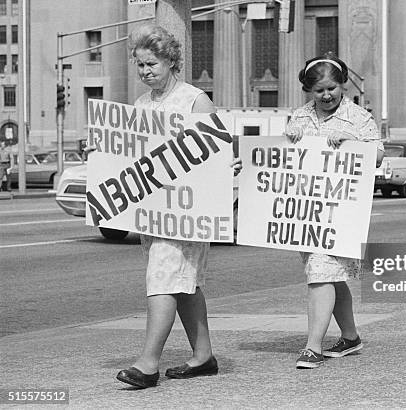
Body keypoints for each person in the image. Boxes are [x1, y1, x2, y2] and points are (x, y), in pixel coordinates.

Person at [115, 24, 241, 389]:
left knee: (163, 278)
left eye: (151, 63)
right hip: (155, 210)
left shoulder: (194, 100)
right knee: (183, 283)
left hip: (188, 212)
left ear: (171, 61)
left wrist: (227, 166)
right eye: (139, 65)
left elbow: (218, 150)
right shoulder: (141, 104)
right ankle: (204, 357)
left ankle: (148, 363)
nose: (145, 71)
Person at [285, 54, 384, 369]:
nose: (326, 95)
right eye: (319, 91)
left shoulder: (358, 117)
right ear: (309, 91)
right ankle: (351, 337)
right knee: (330, 275)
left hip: (342, 211)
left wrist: (354, 141)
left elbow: (378, 156)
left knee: (320, 274)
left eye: (332, 88)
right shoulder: (299, 116)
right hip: (307, 210)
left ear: (342, 85)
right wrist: (290, 137)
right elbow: (283, 155)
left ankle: (313, 346)